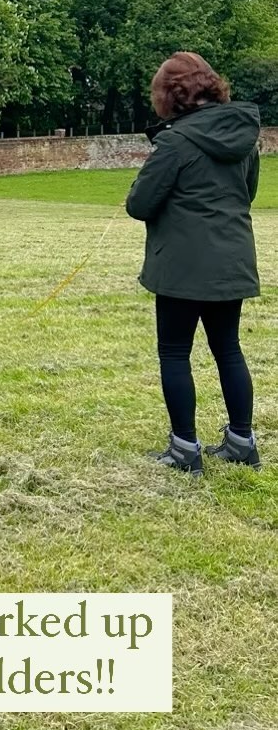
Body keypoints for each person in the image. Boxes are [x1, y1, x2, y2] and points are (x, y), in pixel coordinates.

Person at [125, 52, 261, 474]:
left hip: (183, 267)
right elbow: (247, 191)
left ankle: (185, 448)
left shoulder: (175, 141)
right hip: (232, 258)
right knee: (228, 349)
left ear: (170, 95)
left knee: (174, 351)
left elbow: (140, 204)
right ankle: (242, 440)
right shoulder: (244, 136)